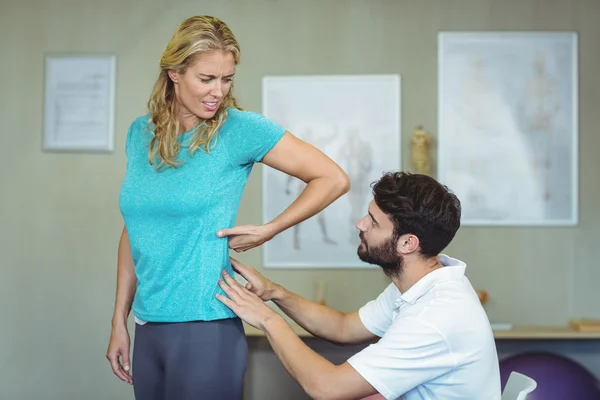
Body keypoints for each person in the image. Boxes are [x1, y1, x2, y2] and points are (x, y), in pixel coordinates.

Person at [106, 15, 350, 400]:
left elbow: (333, 178)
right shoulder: (141, 134)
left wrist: (271, 228)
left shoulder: (240, 130)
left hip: (208, 325)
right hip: (148, 325)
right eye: (206, 79)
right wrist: (119, 319)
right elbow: (135, 228)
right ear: (174, 73)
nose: (218, 91)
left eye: (227, 79)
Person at [217, 171, 502, 400]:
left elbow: (327, 388)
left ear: (407, 243)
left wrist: (266, 319)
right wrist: (273, 292)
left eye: (373, 222)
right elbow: (343, 327)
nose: (360, 224)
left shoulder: (434, 317)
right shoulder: (422, 286)